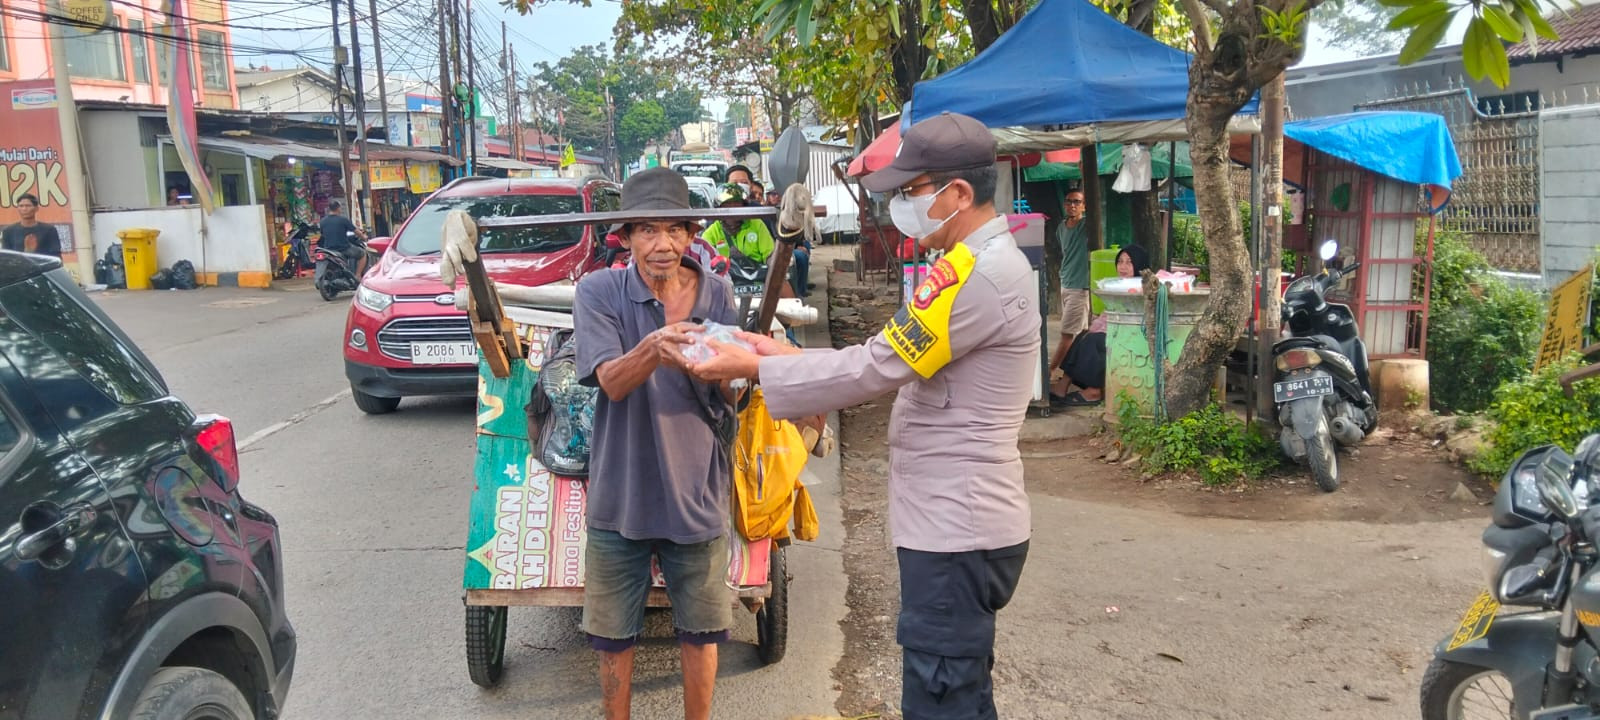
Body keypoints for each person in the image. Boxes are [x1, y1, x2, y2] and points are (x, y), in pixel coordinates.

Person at [689, 112, 1035, 720]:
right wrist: (780, 353)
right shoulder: (974, 263)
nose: (902, 204)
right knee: (959, 690)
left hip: (957, 527)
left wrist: (754, 368)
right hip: (955, 519)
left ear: (958, 193)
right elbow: (886, 354)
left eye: (914, 191)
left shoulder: (976, 275)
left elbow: (876, 368)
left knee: (941, 696)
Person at [572, 167, 741, 720]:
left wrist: (737, 373)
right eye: (647, 230)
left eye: (674, 229)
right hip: (620, 495)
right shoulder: (598, 292)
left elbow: (729, 393)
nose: (662, 244)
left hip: (696, 491)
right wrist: (655, 347)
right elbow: (613, 382)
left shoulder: (717, 295)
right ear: (625, 238)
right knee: (612, 641)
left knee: (701, 632)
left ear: (692, 235)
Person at [1050, 244, 1150, 406]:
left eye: (1129, 262)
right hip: (1116, 332)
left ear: (1139, 264)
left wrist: (1099, 330)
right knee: (1084, 335)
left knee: (1094, 341)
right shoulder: (1120, 285)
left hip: (1132, 338)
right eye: (1120, 262)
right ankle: (1063, 385)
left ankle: (1093, 391)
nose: (1123, 267)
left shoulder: (1142, 288)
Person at [1048, 189, 1091, 379]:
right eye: (1069, 202)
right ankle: (1075, 373)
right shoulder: (1061, 227)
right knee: (1080, 333)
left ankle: (1050, 371)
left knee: (1067, 334)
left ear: (1083, 206)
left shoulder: (1086, 225)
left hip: (1079, 287)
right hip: (1066, 282)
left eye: (1077, 202)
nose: (1072, 205)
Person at [700, 183, 774, 263]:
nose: (733, 208)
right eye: (728, 205)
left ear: (744, 206)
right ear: (719, 208)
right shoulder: (712, 232)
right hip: (724, 274)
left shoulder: (757, 224)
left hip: (757, 273)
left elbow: (769, 255)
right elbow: (705, 263)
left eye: (737, 203)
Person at [315, 199, 368, 285]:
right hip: (343, 248)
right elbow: (356, 232)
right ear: (338, 208)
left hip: (328, 249)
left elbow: (323, 234)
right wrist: (364, 237)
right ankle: (358, 275)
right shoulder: (343, 220)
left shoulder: (323, 221)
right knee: (362, 254)